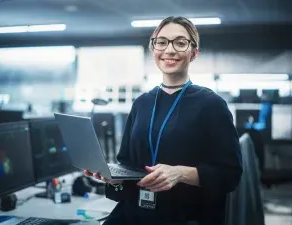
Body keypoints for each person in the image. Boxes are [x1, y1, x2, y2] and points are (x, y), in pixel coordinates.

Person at [84, 16, 242, 225]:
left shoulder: (211, 104)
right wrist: (115, 176)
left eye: (180, 42)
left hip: (186, 216)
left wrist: (180, 173)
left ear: (194, 53)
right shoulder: (141, 103)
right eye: (162, 42)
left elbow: (230, 174)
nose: (170, 50)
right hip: (136, 211)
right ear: (153, 49)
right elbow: (128, 163)